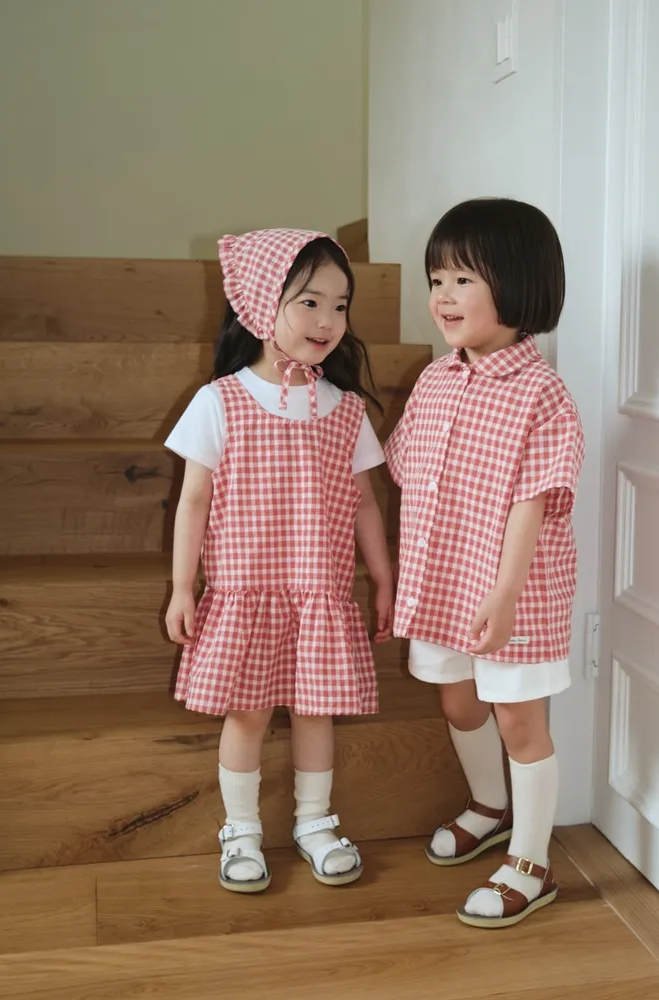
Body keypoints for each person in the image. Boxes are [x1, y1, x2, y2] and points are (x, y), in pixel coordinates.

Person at [164, 228, 393, 893]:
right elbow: (193, 501)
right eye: (310, 302)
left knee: (317, 711)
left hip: (319, 592)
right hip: (247, 592)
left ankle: (314, 821)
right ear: (260, 305)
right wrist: (183, 587)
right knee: (247, 713)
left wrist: (383, 576)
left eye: (340, 305)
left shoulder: (345, 410)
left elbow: (365, 503)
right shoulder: (221, 400)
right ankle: (240, 829)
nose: (329, 320)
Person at [385, 198, 584, 928]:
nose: (442, 296)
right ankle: (489, 805)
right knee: (457, 701)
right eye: (436, 280)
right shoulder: (435, 380)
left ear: (519, 283)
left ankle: (532, 862)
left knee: (519, 722)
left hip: (512, 591)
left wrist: (504, 594)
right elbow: (407, 471)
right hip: (442, 581)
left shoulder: (541, 393)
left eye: (462, 280)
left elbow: (533, 501)